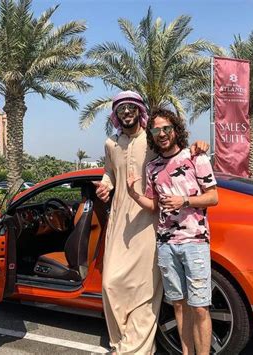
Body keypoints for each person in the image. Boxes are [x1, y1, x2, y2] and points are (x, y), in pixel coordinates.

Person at [95, 91, 208, 354]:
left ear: (139, 111)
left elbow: (177, 153)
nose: (126, 112)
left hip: (150, 219)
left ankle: (136, 349)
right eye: (121, 108)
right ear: (116, 114)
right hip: (119, 220)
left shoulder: (151, 139)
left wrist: (200, 146)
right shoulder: (110, 144)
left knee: (145, 289)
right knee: (111, 283)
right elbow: (110, 173)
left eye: (130, 107)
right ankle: (120, 340)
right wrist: (105, 185)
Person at [126, 109, 218, 355]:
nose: (162, 134)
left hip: (195, 242)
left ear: (176, 129)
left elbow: (213, 197)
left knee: (200, 307)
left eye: (167, 128)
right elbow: (154, 205)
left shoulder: (195, 157)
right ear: (152, 135)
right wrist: (133, 194)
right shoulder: (153, 167)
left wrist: (184, 201)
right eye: (156, 130)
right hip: (166, 244)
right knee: (179, 306)